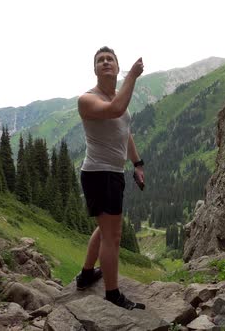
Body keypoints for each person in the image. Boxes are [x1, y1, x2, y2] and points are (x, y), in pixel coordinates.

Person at [74, 46, 146, 310]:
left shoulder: (116, 96)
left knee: (104, 227)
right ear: (95, 69)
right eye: (100, 60)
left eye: (110, 59)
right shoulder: (87, 99)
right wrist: (133, 76)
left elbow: (124, 130)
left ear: (116, 66)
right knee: (112, 235)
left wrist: (137, 163)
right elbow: (115, 110)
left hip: (112, 173)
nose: (105, 62)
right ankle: (113, 295)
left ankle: (85, 275)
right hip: (98, 172)